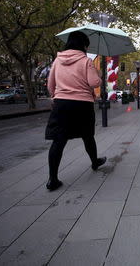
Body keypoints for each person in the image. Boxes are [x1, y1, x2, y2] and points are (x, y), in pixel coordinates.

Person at [45, 31, 106, 191]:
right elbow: (94, 82)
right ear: (83, 45)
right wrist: (98, 76)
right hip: (82, 105)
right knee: (87, 136)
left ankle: (52, 179)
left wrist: (55, 96)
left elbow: (50, 85)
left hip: (62, 104)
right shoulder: (86, 61)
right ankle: (94, 162)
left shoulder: (57, 61)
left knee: (58, 141)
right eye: (87, 45)